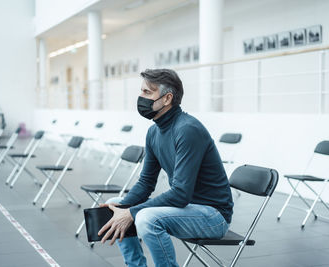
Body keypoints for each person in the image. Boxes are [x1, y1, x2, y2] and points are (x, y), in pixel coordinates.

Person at [98, 68, 234, 267]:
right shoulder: (154, 132)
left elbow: (180, 194)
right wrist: (123, 209)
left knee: (145, 218)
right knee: (116, 204)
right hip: (187, 209)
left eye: (147, 92)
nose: (141, 97)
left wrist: (131, 213)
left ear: (167, 98)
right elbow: (146, 183)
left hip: (213, 216)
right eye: (141, 91)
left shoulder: (187, 130)